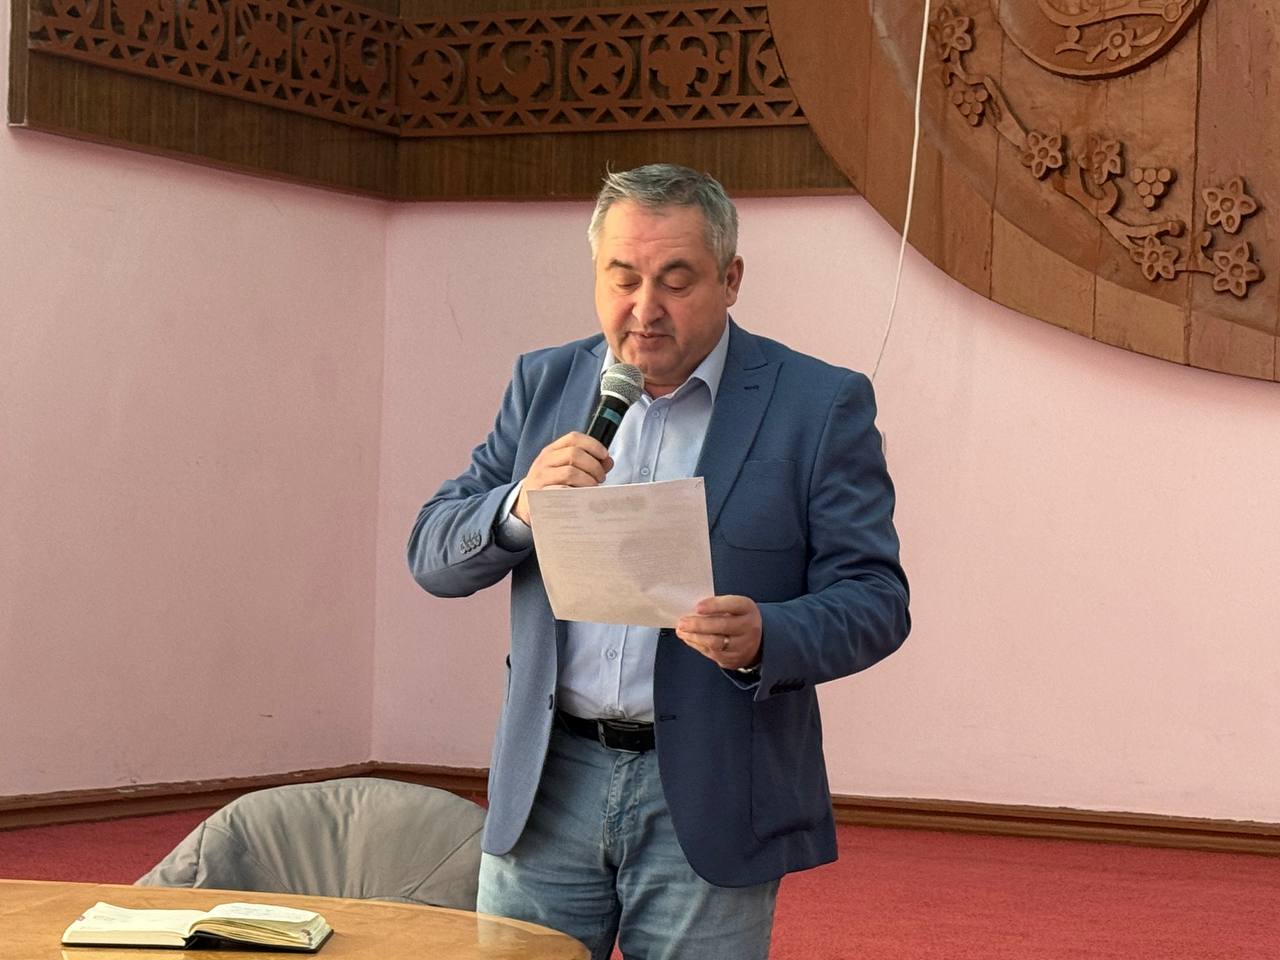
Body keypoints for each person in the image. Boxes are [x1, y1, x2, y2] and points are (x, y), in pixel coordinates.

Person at [407, 163, 910, 960]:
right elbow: (432, 552)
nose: (645, 309)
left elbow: (876, 597)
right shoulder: (545, 383)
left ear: (731, 279)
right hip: (549, 784)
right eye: (623, 278)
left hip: (712, 789)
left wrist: (768, 635)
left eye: (676, 281)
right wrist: (519, 506)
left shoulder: (817, 405)